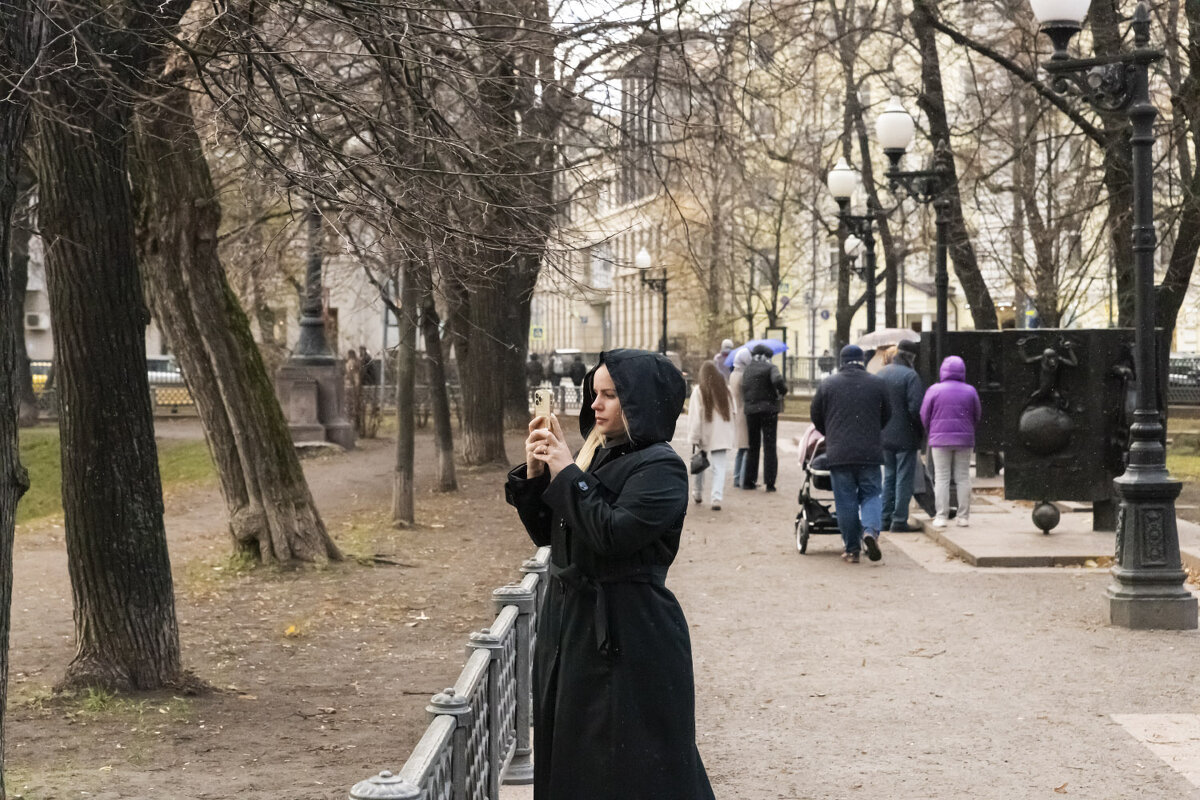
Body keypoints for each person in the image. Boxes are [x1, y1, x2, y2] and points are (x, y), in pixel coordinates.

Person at [504, 349, 715, 800]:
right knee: (574, 753)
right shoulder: (598, 454)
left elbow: (612, 535)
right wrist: (540, 474)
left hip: (630, 631)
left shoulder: (661, 467)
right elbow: (552, 535)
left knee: (633, 762)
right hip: (572, 626)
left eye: (610, 395)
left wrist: (567, 473)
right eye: (594, 394)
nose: (595, 404)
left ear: (641, 401)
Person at [810, 344, 891, 563]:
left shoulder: (827, 385)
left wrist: (831, 433)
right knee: (872, 493)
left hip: (839, 453)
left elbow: (816, 416)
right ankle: (870, 531)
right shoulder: (877, 383)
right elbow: (887, 415)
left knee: (845, 500)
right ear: (862, 360)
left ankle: (852, 550)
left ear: (842, 361)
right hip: (870, 451)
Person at [920, 355, 982, 528]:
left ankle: (941, 516)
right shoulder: (970, 391)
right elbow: (977, 415)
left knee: (941, 478)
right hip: (964, 439)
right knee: (963, 477)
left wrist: (931, 431)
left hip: (939, 440)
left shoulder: (934, 390)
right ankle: (963, 517)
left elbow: (924, 414)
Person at [877, 339, 925, 532]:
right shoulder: (910, 376)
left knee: (888, 477)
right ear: (910, 356)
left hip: (884, 435)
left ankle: (884, 518)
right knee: (904, 478)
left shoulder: (881, 374)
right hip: (905, 435)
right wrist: (919, 431)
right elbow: (915, 408)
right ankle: (899, 520)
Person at [687, 361, 736, 510]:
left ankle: (698, 492)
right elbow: (734, 412)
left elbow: (695, 416)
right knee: (719, 467)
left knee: (700, 464)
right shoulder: (726, 391)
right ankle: (716, 498)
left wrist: (694, 437)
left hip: (704, 433)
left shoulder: (699, 391)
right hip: (722, 434)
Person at [740, 344, 787, 491]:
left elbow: (744, 387)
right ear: (767, 356)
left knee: (753, 446)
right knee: (770, 446)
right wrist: (782, 391)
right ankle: (770, 482)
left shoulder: (747, 369)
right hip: (769, 411)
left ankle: (749, 480)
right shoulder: (770, 367)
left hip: (751, 411)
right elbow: (778, 380)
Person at [729, 348, 752, 488]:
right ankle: (742, 478)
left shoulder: (733, 374)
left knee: (740, 448)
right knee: (745, 447)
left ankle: (737, 477)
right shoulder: (742, 376)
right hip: (743, 413)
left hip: (737, 412)